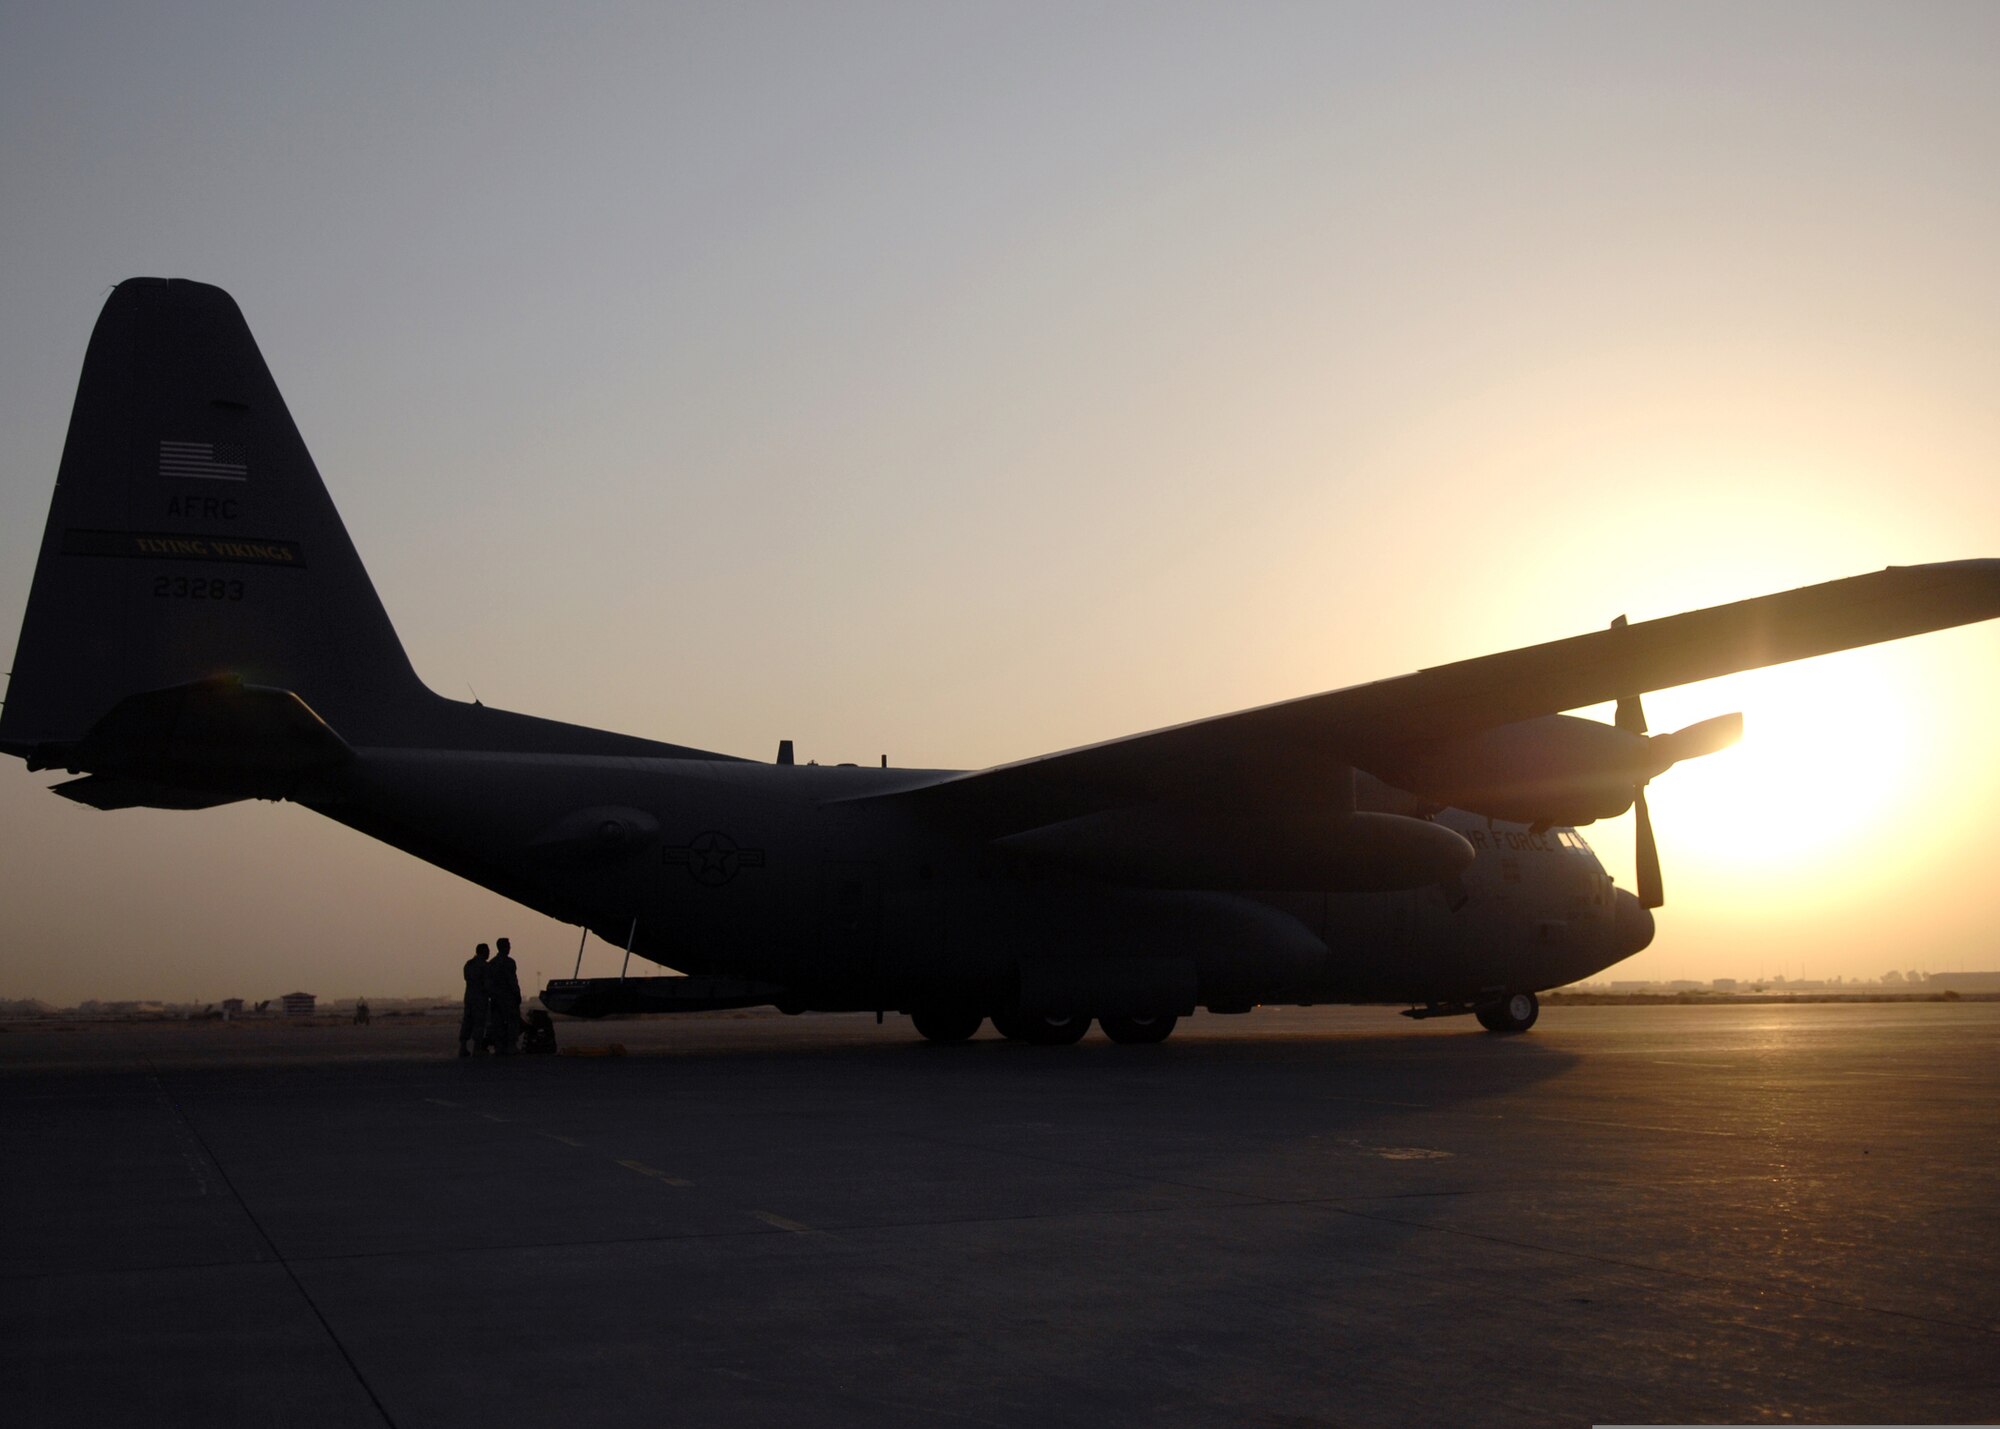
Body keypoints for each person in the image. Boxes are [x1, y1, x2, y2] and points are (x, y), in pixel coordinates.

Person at [486, 937, 523, 1055]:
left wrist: (492, 996)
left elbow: (489, 983)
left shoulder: (492, 963)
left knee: (498, 1023)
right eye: (508, 945)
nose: (509, 948)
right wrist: (517, 994)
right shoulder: (509, 962)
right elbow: (512, 981)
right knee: (512, 1021)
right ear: (504, 947)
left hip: (497, 998)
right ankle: (511, 1046)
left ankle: (499, 1047)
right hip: (508, 998)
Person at [459, 943, 490, 1056]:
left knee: (467, 1021)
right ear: (483, 951)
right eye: (487, 951)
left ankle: (463, 1048)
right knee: (479, 1023)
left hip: (469, 997)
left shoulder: (469, 964)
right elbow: (487, 984)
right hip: (480, 998)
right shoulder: (484, 966)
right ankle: (477, 1049)